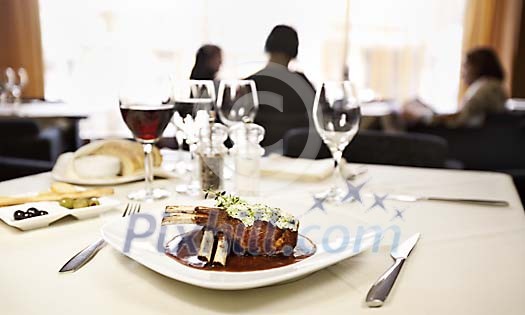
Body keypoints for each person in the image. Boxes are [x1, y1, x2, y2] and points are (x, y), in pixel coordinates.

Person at [246, 25, 316, 149]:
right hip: (297, 154)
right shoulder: (302, 84)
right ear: (295, 50)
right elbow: (320, 116)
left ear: (268, 45)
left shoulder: (249, 83)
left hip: (258, 154)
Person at [402, 47, 507, 128]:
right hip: (462, 135)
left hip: (453, 139)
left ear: (477, 66)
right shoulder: (493, 87)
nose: (462, 74)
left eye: (465, 66)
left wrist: (423, 118)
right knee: (416, 104)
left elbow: (460, 120)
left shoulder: (485, 88)